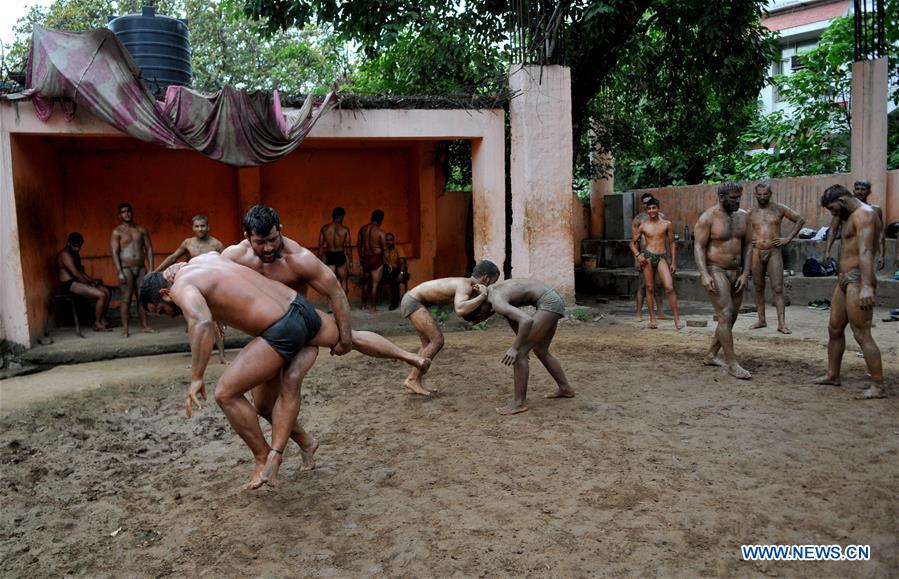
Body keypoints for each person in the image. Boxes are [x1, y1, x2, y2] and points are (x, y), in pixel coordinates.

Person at [222, 205, 429, 466]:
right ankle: (307, 442)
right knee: (262, 405)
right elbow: (209, 275)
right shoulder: (233, 257)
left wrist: (343, 338)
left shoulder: (298, 258)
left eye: (272, 239)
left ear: (280, 231)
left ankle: (409, 357)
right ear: (246, 236)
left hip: (301, 327)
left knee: (299, 373)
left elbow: (336, 292)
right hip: (270, 337)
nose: (267, 248)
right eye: (259, 242)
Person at [813, 185, 887, 399]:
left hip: (858, 280)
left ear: (843, 201)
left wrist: (866, 286)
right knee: (834, 328)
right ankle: (832, 374)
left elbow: (865, 251)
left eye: (833, 209)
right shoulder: (851, 215)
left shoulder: (864, 215)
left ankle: (878, 385)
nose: (833, 214)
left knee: (861, 333)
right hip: (845, 280)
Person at [400, 260, 500, 395]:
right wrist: (483, 296)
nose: (490, 286)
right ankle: (412, 379)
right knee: (437, 340)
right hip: (413, 301)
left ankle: (415, 380)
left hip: (414, 300)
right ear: (486, 278)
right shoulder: (466, 285)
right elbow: (460, 310)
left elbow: (469, 317)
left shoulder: (468, 286)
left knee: (427, 345)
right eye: (492, 282)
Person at [486, 278, 575, 415]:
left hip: (549, 303)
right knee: (540, 350)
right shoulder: (493, 290)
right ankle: (565, 388)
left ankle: (518, 403)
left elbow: (526, 321)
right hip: (552, 300)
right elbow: (514, 319)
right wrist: (524, 343)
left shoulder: (496, 301)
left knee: (519, 354)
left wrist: (517, 348)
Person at [693, 182, 753, 380]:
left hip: (736, 272)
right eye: (734, 198)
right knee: (725, 314)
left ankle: (711, 354)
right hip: (716, 269)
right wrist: (704, 274)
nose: (738, 201)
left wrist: (745, 274)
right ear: (722, 196)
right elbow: (699, 247)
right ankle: (732, 363)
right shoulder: (708, 217)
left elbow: (748, 246)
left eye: (739, 197)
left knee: (731, 317)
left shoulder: (744, 216)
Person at [154, 214, 228, 363]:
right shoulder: (188, 243)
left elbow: (227, 263)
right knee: (194, 322)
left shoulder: (216, 245)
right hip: (193, 286)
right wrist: (155, 272)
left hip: (212, 285)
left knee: (217, 321)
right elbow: (173, 257)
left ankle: (222, 356)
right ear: (192, 228)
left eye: (203, 226)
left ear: (208, 227)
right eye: (197, 226)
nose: (200, 229)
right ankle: (196, 358)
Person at [747, 183, 805, 334]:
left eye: (765, 194)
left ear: (770, 194)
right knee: (758, 287)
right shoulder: (750, 212)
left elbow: (800, 220)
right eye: (759, 194)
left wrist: (788, 238)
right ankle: (761, 319)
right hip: (756, 251)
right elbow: (739, 228)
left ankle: (782, 323)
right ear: (755, 194)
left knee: (778, 288)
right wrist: (747, 240)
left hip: (774, 251)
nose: (762, 197)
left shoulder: (779, 208)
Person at [629, 197, 684, 329]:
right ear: (646, 210)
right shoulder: (643, 226)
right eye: (649, 208)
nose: (651, 210)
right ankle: (652, 319)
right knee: (649, 288)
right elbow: (632, 243)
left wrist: (673, 262)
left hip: (661, 257)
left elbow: (672, 243)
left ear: (658, 209)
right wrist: (638, 255)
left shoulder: (666, 224)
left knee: (669, 287)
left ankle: (677, 320)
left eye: (654, 208)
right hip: (647, 257)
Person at [111, 202, 154, 337]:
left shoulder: (141, 229)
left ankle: (145, 326)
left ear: (132, 212)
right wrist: (119, 271)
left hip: (141, 267)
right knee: (126, 299)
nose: (127, 214)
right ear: (119, 215)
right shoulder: (117, 231)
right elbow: (114, 252)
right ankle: (125, 329)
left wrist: (152, 268)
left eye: (128, 211)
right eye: (123, 212)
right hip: (126, 268)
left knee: (142, 297)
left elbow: (149, 249)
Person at [823, 181, 886, 270]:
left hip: (866, 251)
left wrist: (881, 255)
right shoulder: (842, 209)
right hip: (847, 253)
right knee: (846, 280)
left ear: (869, 192)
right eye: (857, 189)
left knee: (862, 278)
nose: (859, 192)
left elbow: (880, 233)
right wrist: (827, 251)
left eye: (863, 189)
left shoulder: (875, 210)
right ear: (853, 191)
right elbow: (833, 229)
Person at [56, 232, 112, 331]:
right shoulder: (65, 254)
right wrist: (88, 284)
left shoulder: (75, 253)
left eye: (79, 246)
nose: (77, 248)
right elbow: (75, 273)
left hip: (77, 281)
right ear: (68, 243)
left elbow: (81, 273)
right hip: (69, 284)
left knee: (107, 292)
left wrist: (92, 281)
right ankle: (97, 323)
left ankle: (102, 320)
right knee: (101, 295)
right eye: (75, 246)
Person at [631, 193, 664, 321]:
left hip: (659, 255)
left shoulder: (661, 218)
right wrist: (637, 258)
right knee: (642, 285)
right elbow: (634, 241)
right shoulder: (638, 219)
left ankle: (660, 312)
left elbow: (664, 238)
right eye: (644, 203)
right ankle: (638, 313)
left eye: (648, 202)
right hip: (644, 256)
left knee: (658, 285)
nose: (646, 205)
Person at [357, 209, 387, 312]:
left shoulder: (363, 229)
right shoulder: (380, 232)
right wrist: (388, 261)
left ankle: (363, 305)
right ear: (381, 219)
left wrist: (361, 257)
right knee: (374, 284)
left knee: (365, 283)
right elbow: (384, 249)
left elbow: (359, 245)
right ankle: (373, 308)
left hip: (366, 257)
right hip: (376, 258)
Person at [317, 207, 353, 293]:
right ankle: (345, 305)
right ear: (340, 216)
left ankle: (331, 306)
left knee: (330, 283)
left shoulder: (324, 229)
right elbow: (348, 247)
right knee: (344, 281)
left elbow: (321, 246)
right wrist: (350, 260)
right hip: (340, 255)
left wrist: (318, 260)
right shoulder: (345, 229)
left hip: (330, 255)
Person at [381, 232, 409, 310]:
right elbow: (384, 261)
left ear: (393, 241)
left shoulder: (398, 248)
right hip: (390, 270)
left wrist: (401, 273)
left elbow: (403, 263)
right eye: (386, 240)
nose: (388, 242)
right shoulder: (385, 250)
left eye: (390, 240)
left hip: (400, 270)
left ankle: (394, 303)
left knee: (394, 279)